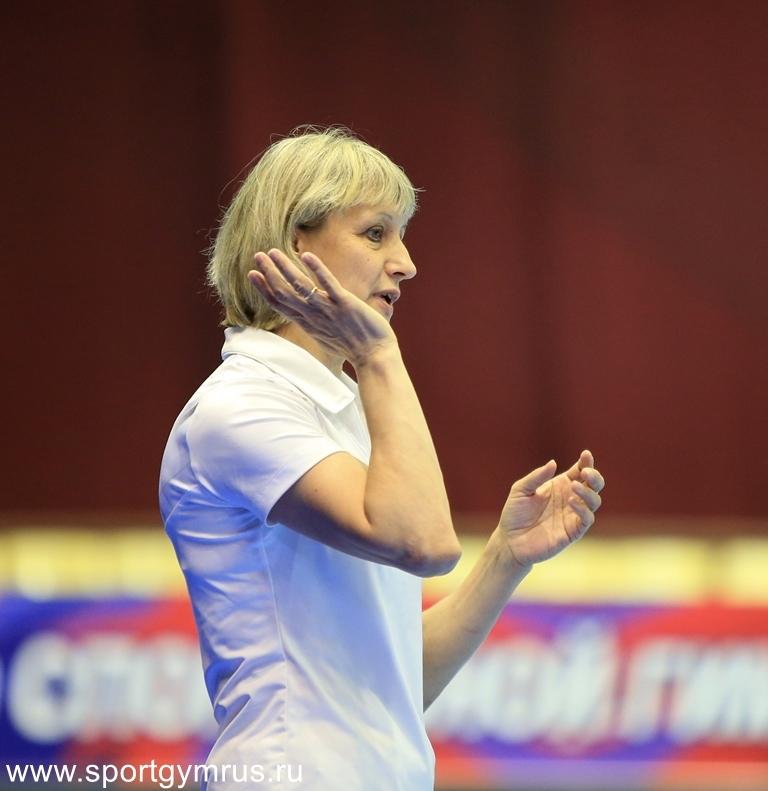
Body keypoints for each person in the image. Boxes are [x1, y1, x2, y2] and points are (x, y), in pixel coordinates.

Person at [159, 126, 605, 791]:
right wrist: (376, 354)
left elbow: (393, 685)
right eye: (375, 233)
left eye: (402, 235)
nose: (406, 263)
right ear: (297, 244)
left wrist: (505, 558)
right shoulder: (240, 407)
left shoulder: (336, 404)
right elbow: (424, 543)